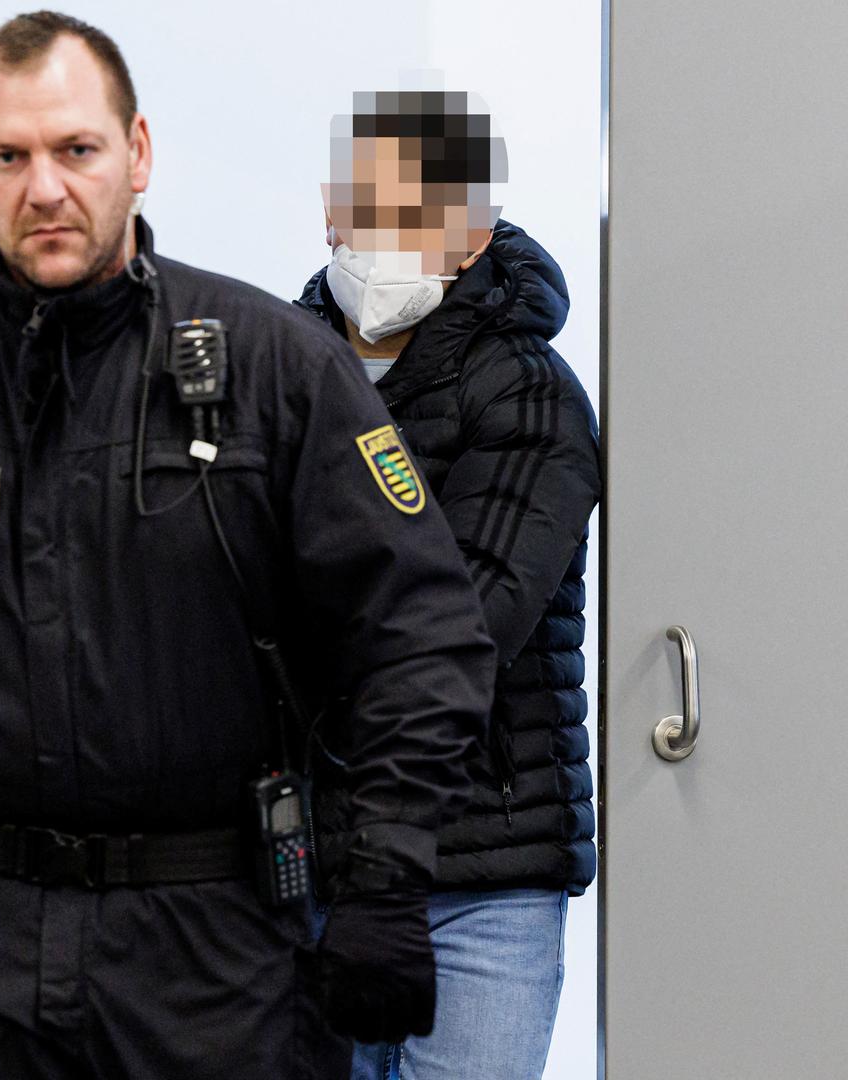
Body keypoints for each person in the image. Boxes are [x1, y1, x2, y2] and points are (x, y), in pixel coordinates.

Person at [0, 13, 498, 1078]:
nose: (44, 187)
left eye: (75, 150)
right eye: (7, 155)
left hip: (209, 946)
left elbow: (422, 639)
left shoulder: (277, 369)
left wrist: (384, 882)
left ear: (137, 152)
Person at [295, 90, 601, 1080]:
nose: (377, 235)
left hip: (484, 867)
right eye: (362, 208)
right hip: (311, 862)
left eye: (411, 210)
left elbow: (469, 623)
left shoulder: (531, 390)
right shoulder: (279, 377)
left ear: (470, 228)